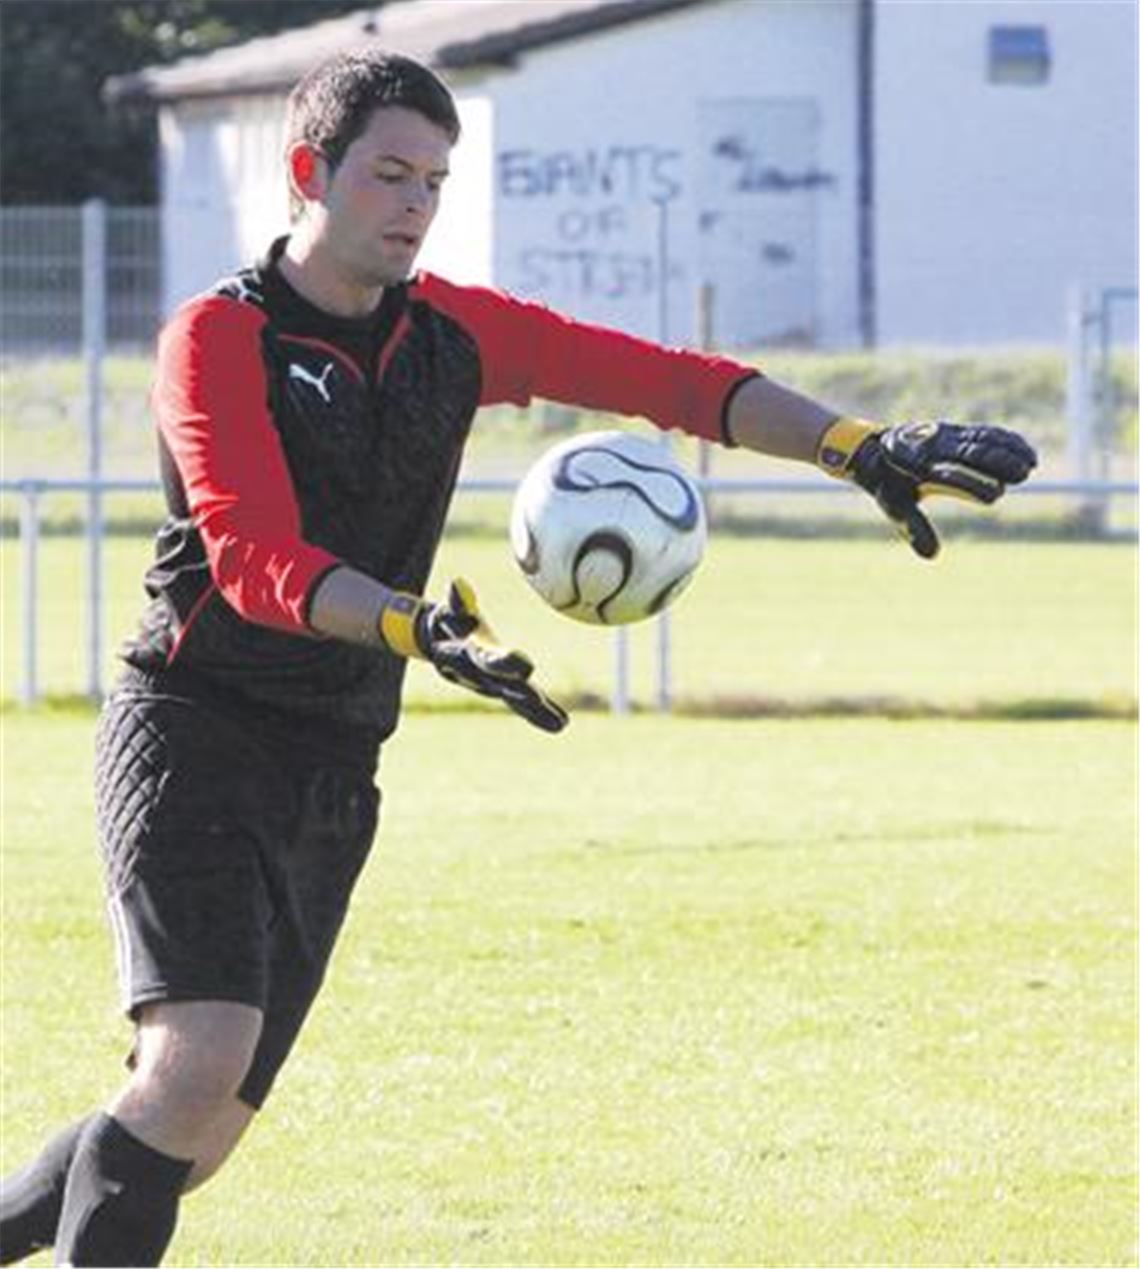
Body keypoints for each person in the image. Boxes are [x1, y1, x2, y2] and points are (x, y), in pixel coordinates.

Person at [0, 48, 1036, 1268]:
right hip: (194, 728)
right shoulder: (216, 338)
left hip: (335, 756)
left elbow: (668, 383)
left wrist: (857, 445)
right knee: (196, 1065)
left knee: (199, 1126)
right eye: (390, 175)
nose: (417, 205)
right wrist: (412, 623)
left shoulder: (454, 334)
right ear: (306, 173)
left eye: (436, 181)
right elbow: (251, 560)